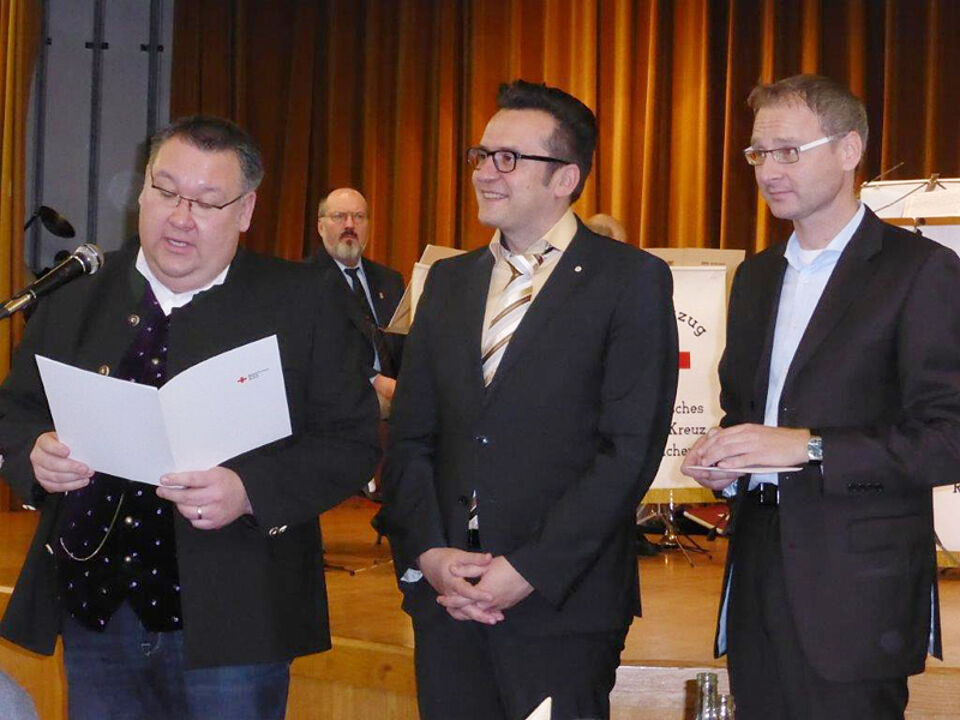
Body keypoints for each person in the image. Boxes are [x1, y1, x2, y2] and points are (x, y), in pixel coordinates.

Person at [0, 116, 380, 719]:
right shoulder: (76, 292)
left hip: (236, 618)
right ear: (142, 191)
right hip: (96, 611)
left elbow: (352, 442)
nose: (180, 217)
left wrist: (249, 489)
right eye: (166, 191)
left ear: (245, 210)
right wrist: (34, 454)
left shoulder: (301, 301)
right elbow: (16, 410)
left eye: (206, 202)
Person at [378, 79, 678, 720]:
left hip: (561, 602)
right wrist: (430, 554)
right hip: (448, 599)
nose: (485, 172)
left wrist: (529, 569)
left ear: (565, 177)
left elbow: (628, 452)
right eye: (482, 155)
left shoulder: (630, 280)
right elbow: (410, 438)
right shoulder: (448, 282)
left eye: (508, 158)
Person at [681, 74, 960, 719]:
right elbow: (746, 414)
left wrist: (809, 448)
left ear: (849, 150)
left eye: (789, 151)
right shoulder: (756, 278)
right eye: (758, 153)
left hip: (857, 593)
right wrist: (726, 460)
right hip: (757, 571)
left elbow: (948, 438)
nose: (768, 170)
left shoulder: (919, 271)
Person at [310, 187, 404, 418]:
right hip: (340, 410)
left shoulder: (390, 280)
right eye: (339, 216)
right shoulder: (304, 280)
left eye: (359, 217)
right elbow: (316, 351)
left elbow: (404, 345)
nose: (350, 225)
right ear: (321, 227)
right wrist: (375, 379)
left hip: (398, 408)